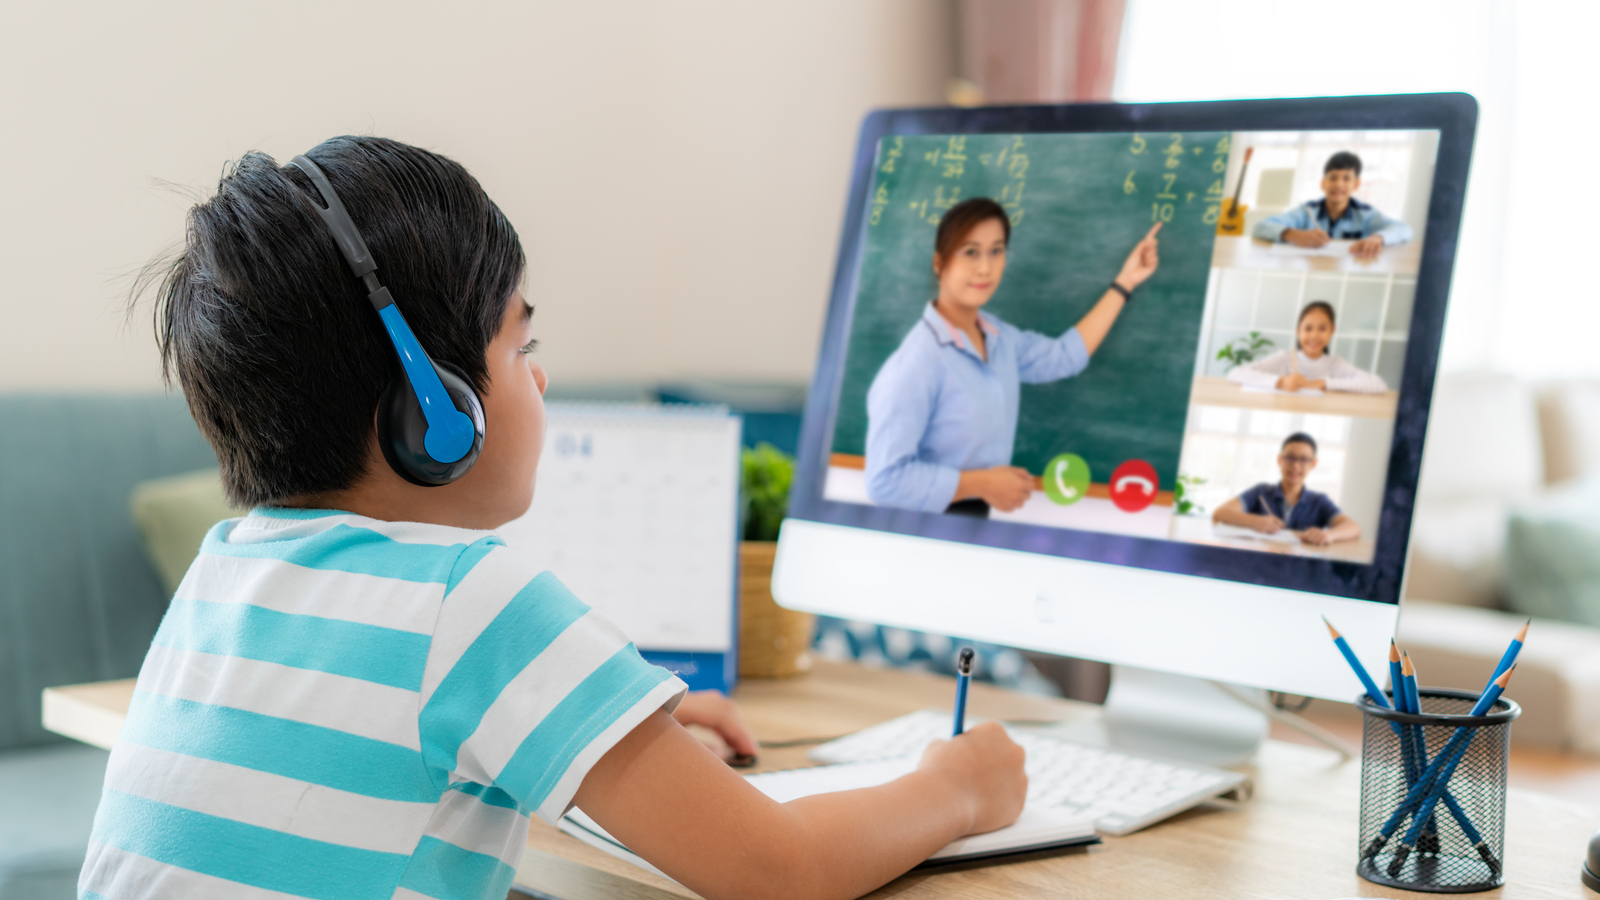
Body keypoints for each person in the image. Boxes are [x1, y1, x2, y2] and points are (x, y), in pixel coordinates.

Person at [79, 137, 1027, 900]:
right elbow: (778, 872)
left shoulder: (223, 569)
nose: (539, 373)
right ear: (436, 413)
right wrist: (956, 787)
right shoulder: (468, 600)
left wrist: (610, 727)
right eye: (521, 340)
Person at [864, 197, 1161, 517]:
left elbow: (1064, 357)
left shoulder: (998, 339)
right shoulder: (918, 361)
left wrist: (1125, 282)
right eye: (970, 252)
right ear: (939, 263)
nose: (985, 267)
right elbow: (885, 481)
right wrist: (981, 484)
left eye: (997, 250)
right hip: (925, 531)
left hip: (973, 521)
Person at [1251, 151, 1413, 261]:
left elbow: (1404, 229)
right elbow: (1260, 226)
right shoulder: (1307, 210)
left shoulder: (1366, 214)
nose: (1338, 184)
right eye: (1333, 177)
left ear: (1356, 184)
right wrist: (1293, 234)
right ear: (1323, 183)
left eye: (1346, 178)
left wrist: (1377, 237)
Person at [1211, 432, 1360, 547]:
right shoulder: (1261, 492)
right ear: (1279, 460)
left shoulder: (1319, 501)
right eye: (1289, 458)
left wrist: (1329, 535)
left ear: (1313, 464)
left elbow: (1353, 528)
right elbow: (1219, 513)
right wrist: (1254, 521)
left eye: (1303, 459)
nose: (1295, 466)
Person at [1226, 300, 1387, 394]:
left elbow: (1378, 384)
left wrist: (1322, 383)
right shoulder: (1284, 358)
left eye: (1322, 329)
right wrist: (1281, 382)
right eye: (1308, 328)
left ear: (1332, 331)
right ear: (1298, 331)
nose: (1314, 336)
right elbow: (1235, 373)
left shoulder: (1334, 365)